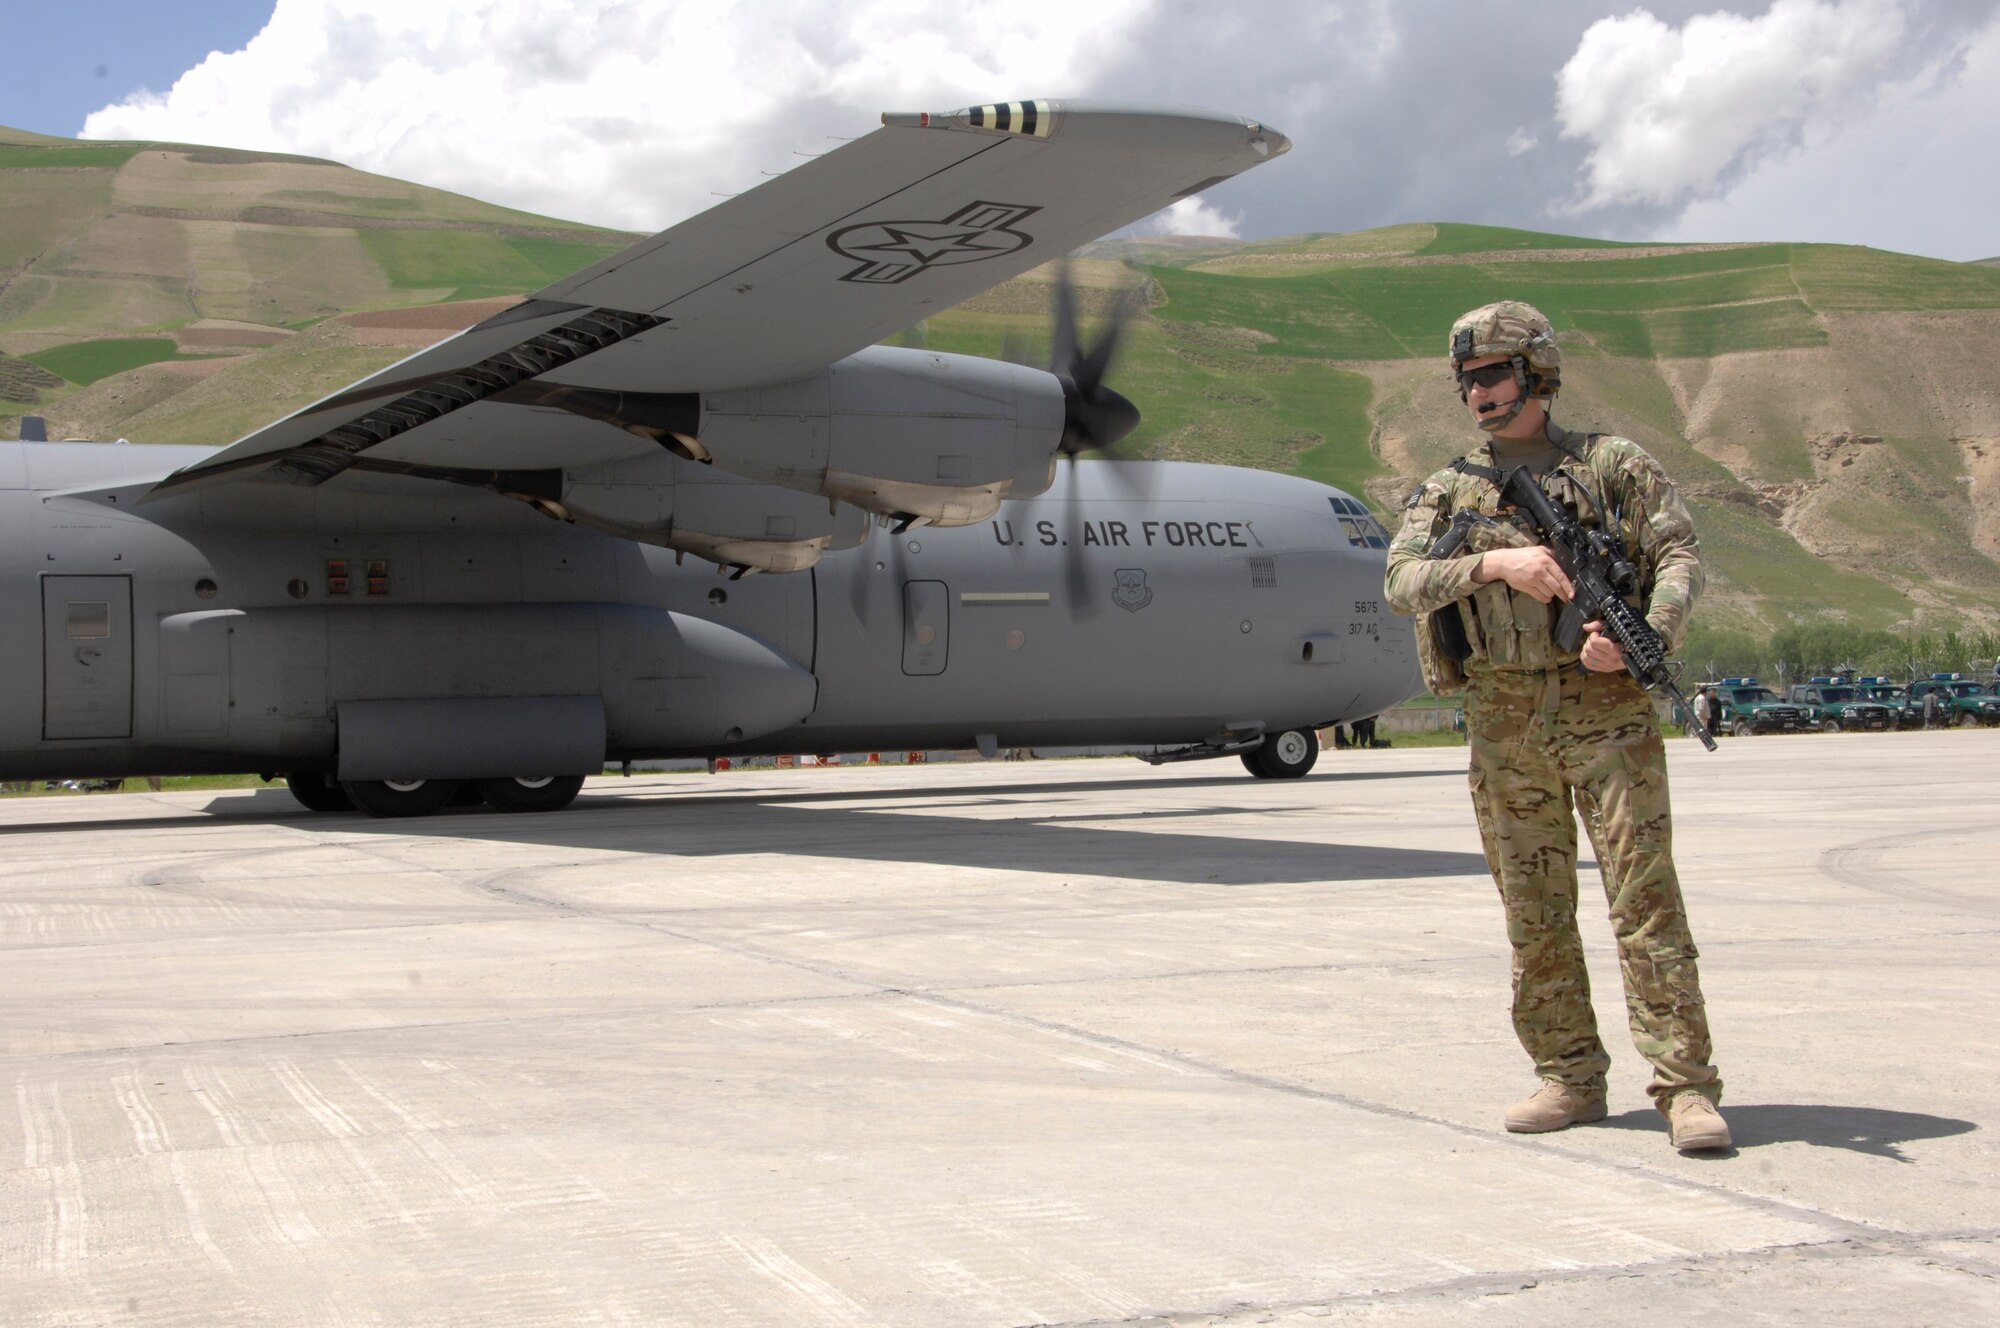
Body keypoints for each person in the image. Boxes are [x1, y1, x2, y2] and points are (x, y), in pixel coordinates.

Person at [1384, 301, 1730, 1153]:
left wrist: (1647, 632)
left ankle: (1685, 1087)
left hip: (1605, 713)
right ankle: (1568, 1076)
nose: (1477, 393)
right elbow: (1401, 579)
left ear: (1537, 372)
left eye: (1493, 375)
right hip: (1504, 721)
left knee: (1644, 901)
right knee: (1534, 908)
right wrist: (1497, 562)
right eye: (1467, 380)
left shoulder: (1612, 466)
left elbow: (1678, 552)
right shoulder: (1452, 488)